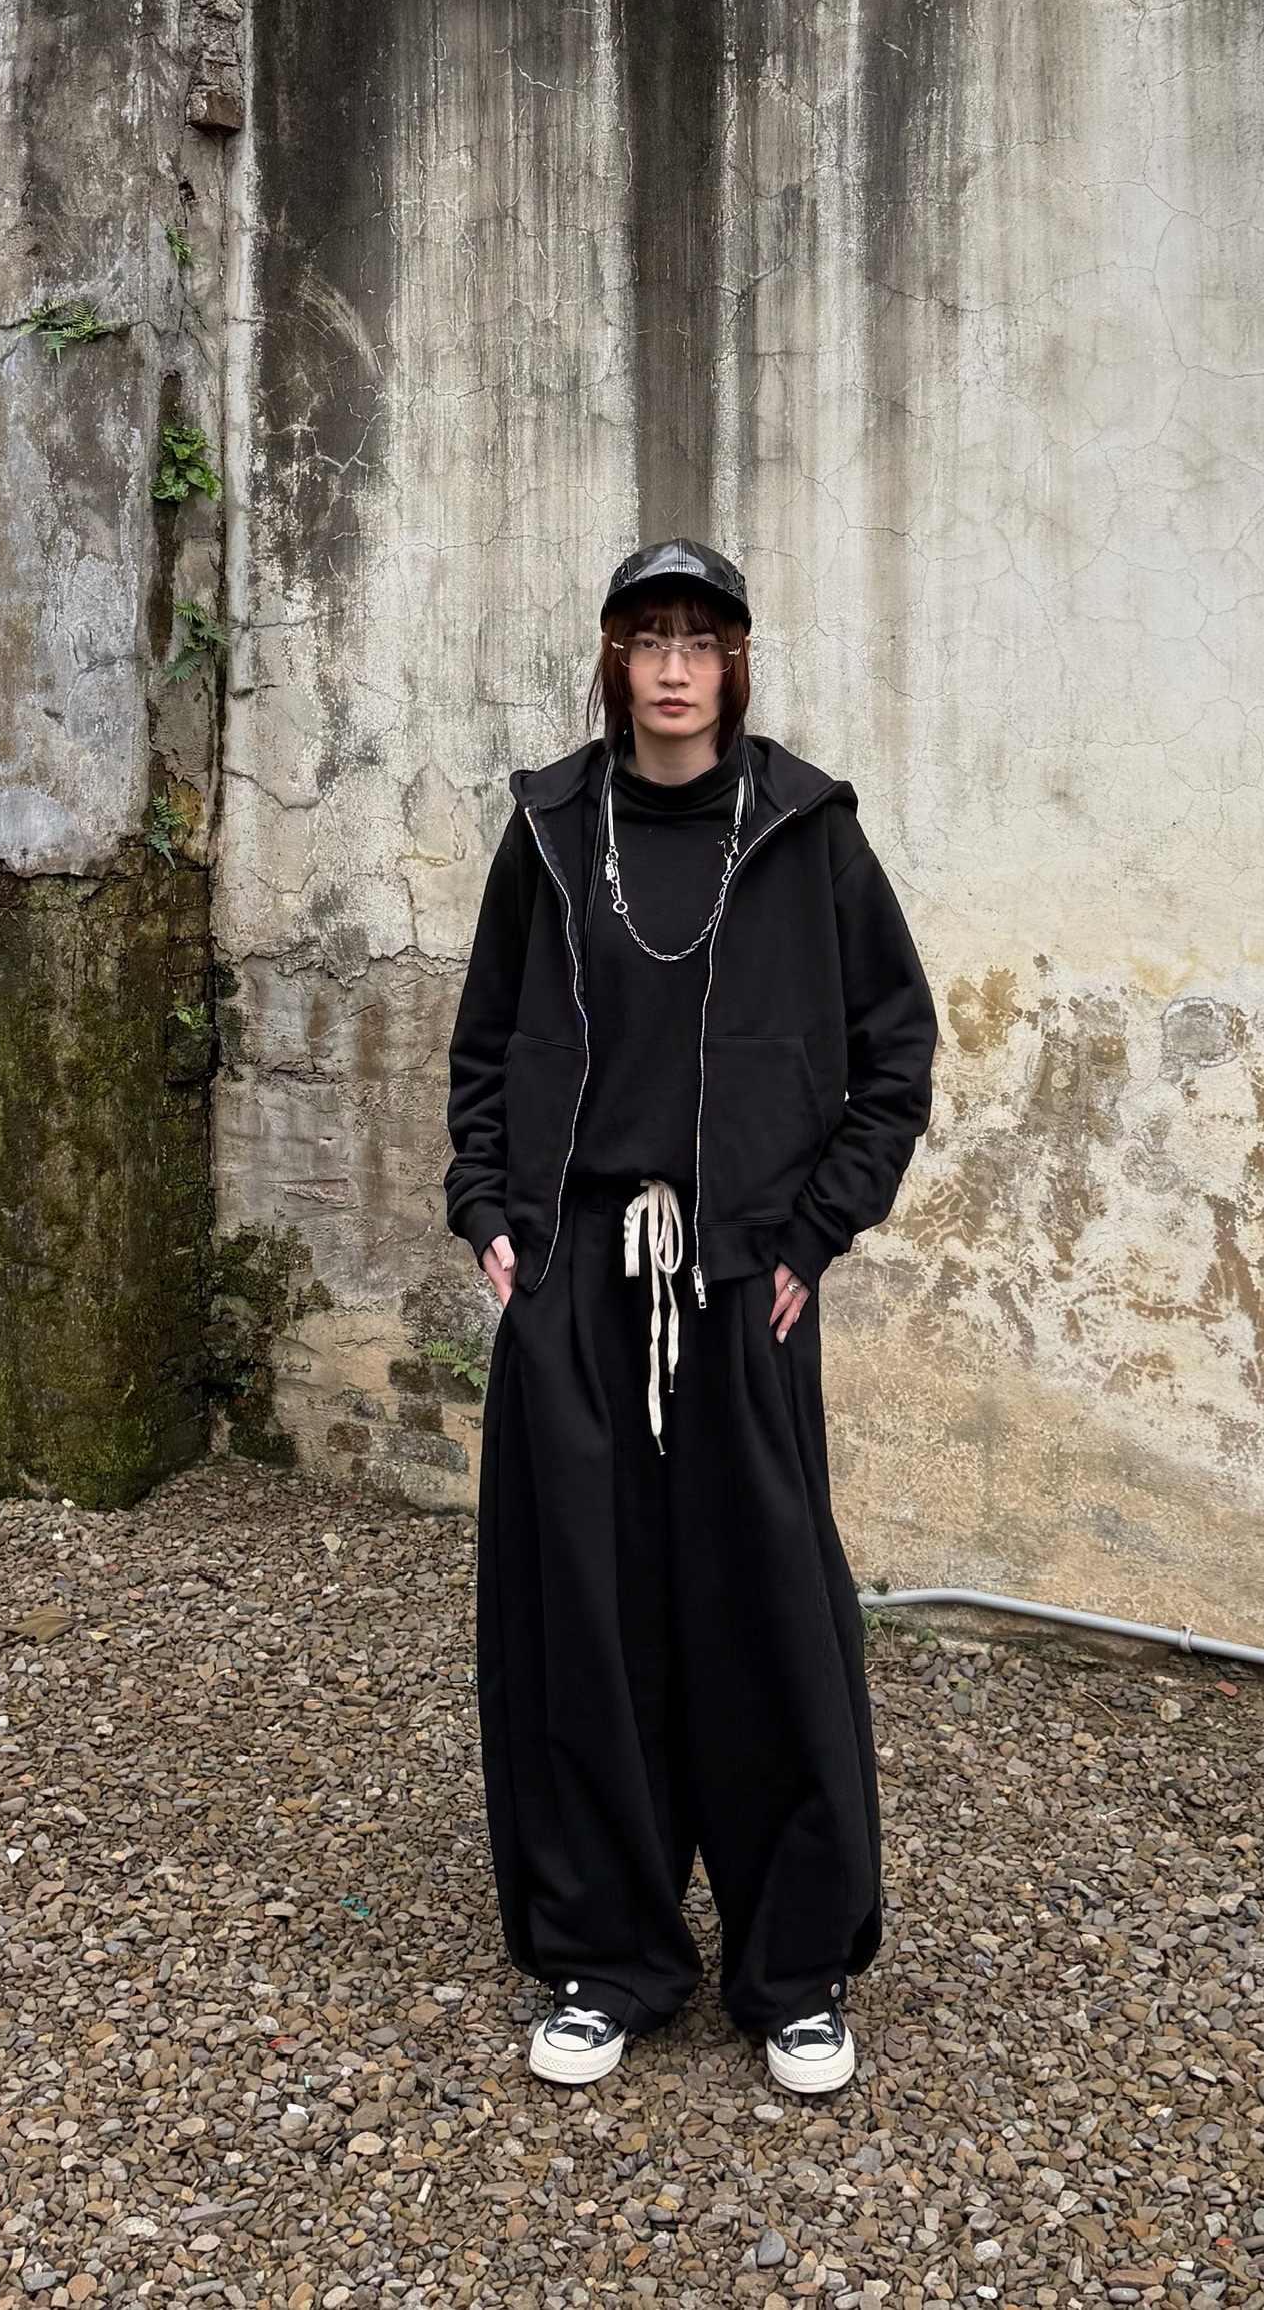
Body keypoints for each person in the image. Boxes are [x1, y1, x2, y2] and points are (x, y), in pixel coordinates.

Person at [444, 537, 936, 2095]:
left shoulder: (804, 829)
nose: (673, 665)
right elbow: (483, 1046)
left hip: (740, 1281)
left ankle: (795, 1969)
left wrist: (815, 1228)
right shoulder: (549, 828)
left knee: (767, 1611)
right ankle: (609, 1955)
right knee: (584, 1616)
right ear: (614, 657)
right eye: (648, 636)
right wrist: (492, 1212)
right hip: (578, 1274)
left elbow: (895, 1053)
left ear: (735, 662)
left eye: (700, 639)